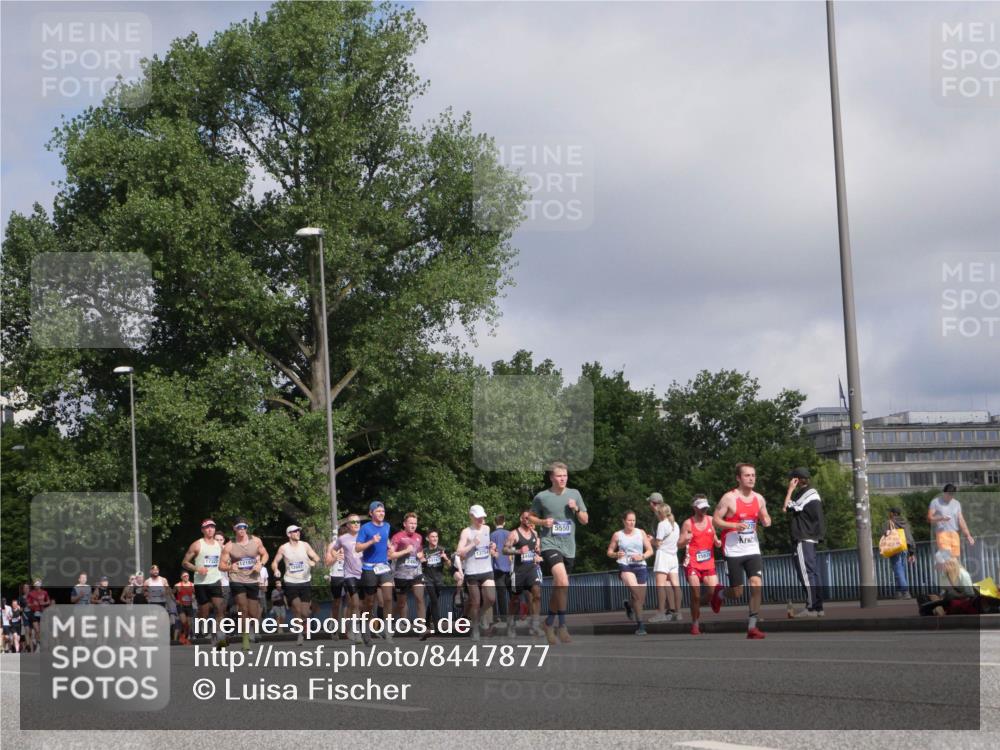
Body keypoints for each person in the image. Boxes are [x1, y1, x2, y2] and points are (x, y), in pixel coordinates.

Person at [528, 461, 589, 645]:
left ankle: (548, 623)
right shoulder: (542, 497)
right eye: (559, 476)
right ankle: (562, 626)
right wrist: (542, 522)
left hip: (569, 547)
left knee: (560, 587)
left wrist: (576, 509)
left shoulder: (574, 494)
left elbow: (585, 520)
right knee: (562, 580)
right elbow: (530, 517)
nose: (563, 479)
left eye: (565, 476)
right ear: (551, 477)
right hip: (550, 544)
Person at [711, 463, 771, 639]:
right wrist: (733, 525)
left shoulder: (759, 498)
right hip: (733, 551)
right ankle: (720, 593)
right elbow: (715, 520)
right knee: (737, 593)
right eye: (747, 475)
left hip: (752, 548)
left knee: (756, 584)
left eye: (753, 475)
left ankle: (752, 627)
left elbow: (765, 515)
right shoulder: (729, 498)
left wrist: (766, 520)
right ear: (738, 478)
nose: (751, 478)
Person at [783, 467, 826, 618]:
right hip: (810, 537)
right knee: (813, 573)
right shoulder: (811, 493)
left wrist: (790, 490)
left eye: (792, 479)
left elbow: (786, 507)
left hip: (803, 537)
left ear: (797, 479)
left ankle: (811, 608)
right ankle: (818, 607)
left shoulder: (807, 493)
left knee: (806, 574)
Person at [222, 518, 269, 650]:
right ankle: (245, 639)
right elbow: (221, 565)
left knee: (253, 613)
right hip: (237, 579)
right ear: (234, 529)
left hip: (252, 579)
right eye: (239, 527)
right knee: (243, 608)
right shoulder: (229, 545)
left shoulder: (256, 541)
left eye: (244, 527)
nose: (242, 529)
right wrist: (230, 567)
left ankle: (249, 630)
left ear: (247, 528)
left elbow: (265, 554)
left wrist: (261, 564)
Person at [677, 495, 722, 635]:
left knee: (713, 591)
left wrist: (717, 542)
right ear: (695, 508)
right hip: (692, 563)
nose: (704, 510)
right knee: (696, 595)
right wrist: (685, 540)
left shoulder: (711, 520)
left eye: (706, 508)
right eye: (702, 508)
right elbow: (679, 544)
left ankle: (701, 604)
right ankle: (695, 624)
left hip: (708, 563)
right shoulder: (688, 523)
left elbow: (714, 536)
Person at [272, 524, 320, 646]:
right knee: (297, 609)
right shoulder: (284, 548)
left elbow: (316, 557)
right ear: (289, 534)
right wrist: (276, 569)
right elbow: (275, 562)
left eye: (298, 531)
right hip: (290, 582)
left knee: (305, 612)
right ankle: (300, 634)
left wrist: (313, 561)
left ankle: (304, 624)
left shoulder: (305, 545)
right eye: (295, 531)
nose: (298, 533)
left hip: (305, 581)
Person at [181, 519, 226, 647]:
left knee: (219, 607)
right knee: (204, 611)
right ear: (202, 530)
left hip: (215, 580)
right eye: (207, 527)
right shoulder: (197, 545)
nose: (210, 529)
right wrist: (197, 569)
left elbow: (225, 560)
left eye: (212, 527)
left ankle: (218, 634)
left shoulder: (219, 545)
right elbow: (184, 562)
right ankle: (201, 625)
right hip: (201, 583)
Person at [608, 510, 653, 635]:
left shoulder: (641, 532)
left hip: (640, 566)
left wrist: (642, 556)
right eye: (629, 520)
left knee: (640, 600)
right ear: (624, 521)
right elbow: (609, 552)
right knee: (637, 594)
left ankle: (628, 605)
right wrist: (616, 554)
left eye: (634, 520)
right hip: (625, 565)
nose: (632, 522)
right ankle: (641, 626)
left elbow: (650, 550)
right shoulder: (618, 535)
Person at [355, 501, 393, 646]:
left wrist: (389, 546)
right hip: (369, 568)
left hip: (384, 567)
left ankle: (387, 630)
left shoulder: (387, 526)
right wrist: (372, 541)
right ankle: (365, 631)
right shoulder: (366, 528)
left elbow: (386, 540)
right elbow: (358, 548)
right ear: (371, 513)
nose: (381, 513)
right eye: (378, 511)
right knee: (369, 602)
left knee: (388, 597)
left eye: (383, 511)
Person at [457, 504, 496, 641]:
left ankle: (480, 616)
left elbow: (487, 546)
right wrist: (472, 543)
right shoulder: (466, 532)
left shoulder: (487, 528)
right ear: (472, 516)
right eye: (479, 517)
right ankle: (475, 629)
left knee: (491, 598)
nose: (481, 520)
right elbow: (459, 552)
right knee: (475, 602)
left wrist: (492, 546)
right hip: (472, 571)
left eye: (483, 517)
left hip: (486, 569)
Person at [504, 509, 544, 637]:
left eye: (530, 518)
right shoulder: (514, 534)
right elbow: (505, 550)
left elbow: (537, 549)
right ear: (521, 519)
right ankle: (510, 624)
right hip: (518, 572)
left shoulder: (534, 533)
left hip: (532, 569)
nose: (528, 520)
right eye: (526, 518)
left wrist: (538, 553)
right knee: (515, 600)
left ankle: (535, 625)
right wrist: (518, 551)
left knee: (537, 594)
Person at [329, 515, 364, 641]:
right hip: (339, 575)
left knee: (354, 603)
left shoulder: (363, 537)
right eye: (353, 522)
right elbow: (328, 559)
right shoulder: (339, 541)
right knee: (338, 603)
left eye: (358, 522)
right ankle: (335, 627)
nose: (356, 524)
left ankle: (349, 628)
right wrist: (336, 557)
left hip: (359, 574)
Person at [389, 513, 426, 629]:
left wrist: (421, 555)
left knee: (420, 598)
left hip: (416, 573)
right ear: (405, 524)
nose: (413, 525)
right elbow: (390, 555)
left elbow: (420, 551)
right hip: (401, 574)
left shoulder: (419, 537)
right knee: (401, 603)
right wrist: (405, 551)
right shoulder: (397, 537)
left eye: (415, 523)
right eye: (411, 523)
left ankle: (422, 627)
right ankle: (388, 622)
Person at [649, 500, 682, 623]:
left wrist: (651, 540)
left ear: (661, 513)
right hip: (673, 556)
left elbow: (658, 543)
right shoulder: (676, 525)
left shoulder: (662, 524)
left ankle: (661, 613)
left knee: (660, 585)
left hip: (663, 556)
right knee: (676, 585)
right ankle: (678, 613)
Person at [420, 529, 451, 640]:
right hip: (428, 579)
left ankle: (427, 621)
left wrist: (445, 558)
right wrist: (422, 560)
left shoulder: (441, 549)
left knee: (433, 602)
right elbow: (419, 565)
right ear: (428, 538)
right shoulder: (424, 551)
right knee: (434, 601)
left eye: (436, 536)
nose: (435, 539)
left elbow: (449, 565)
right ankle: (437, 627)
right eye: (432, 537)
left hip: (439, 580)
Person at [928, 483, 975, 558]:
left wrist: (968, 535)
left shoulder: (957, 504)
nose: (950, 496)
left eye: (952, 494)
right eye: (948, 494)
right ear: (944, 492)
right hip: (942, 533)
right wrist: (941, 518)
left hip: (954, 533)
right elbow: (930, 517)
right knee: (947, 558)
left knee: (954, 559)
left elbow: (961, 520)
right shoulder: (935, 502)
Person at [883, 507, 917, 600]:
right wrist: (912, 552)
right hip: (904, 548)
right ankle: (898, 592)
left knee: (898, 569)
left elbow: (884, 534)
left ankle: (905, 592)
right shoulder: (905, 523)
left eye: (890, 512)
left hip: (894, 548)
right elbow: (909, 537)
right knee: (901, 569)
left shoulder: (889, 523)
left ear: (892, 513)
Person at [491, 514, 513, 631]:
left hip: (497, 568)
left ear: (495, 523)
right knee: (512, 593)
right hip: (509, 567)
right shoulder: (510, 534)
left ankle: (503, 617)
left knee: (501, 594)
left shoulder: (492, 535)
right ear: (504, 522)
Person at [26, 580, 51, 653]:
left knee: (41, 631)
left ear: (40, 585)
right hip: (34, 613)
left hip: (42, 613)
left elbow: (48, 601)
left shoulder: (44, 592)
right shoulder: (31, 593)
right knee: (37, 630)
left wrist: (44, 603)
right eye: (35, 584)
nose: (37, 585)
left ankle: (38, 642)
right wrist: (33, 604)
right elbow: (28, 604)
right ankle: (38, 645)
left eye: (38, 584)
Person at [174, 572, 195, 644]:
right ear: (181, 577)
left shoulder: (192, 585)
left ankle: (185, 637)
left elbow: (196, 593)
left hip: (189, 606)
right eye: (184, 576)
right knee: (184, 622)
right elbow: (172, 593)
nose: (186, 577)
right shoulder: (177, 585)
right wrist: (176, 600)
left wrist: (194, 597)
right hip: (181, 606)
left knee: (189, 624)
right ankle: (183, 636)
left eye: (187, 576)